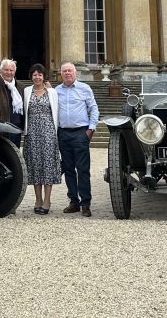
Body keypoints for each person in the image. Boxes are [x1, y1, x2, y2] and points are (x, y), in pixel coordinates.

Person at [56, 61, 98, 217]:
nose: (67, 73)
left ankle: (85, 203)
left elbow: (93, 108)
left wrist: (91, 129)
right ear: (61, 74)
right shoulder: (56, 91)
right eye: (64, 71)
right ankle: (73, 201)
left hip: (80, 133)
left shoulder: (84, 88)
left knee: (83, 170)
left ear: (75, 73)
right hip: (63, 134)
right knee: (68, 170)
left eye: (70, 71)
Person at [23, 63, 60, 215]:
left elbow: (57, 112)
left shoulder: (52, 92)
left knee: (48, 166)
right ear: (31, 76)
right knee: (34, 166)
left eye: (40, 74)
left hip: (48, 133)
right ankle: (38, 199)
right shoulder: (26, 91)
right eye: (34, 74)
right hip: (31, 133)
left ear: (44, 77)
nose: (37, 77)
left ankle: (47, 200)